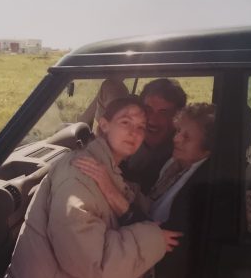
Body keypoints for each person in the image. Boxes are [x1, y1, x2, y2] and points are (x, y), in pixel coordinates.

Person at [5, 96, 182, 278]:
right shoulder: (79, 174)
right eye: (125, 122)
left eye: (140, 127)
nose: (133, 132)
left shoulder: (110, 170)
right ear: (104, 125)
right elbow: (92, 265)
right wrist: (153, 240)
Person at [74, 102, 216, 278]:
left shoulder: (204, 185)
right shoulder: (174, 164)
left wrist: (111, 191)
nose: (176, 139)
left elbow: (166, 239)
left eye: (187, 137)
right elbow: (146, 198)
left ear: (208, 148)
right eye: (178, 131)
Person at [122, 78, 187, 194]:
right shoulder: (125, 138)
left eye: (163, 113)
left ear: (177, 118)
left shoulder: (176, 159)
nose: (152, 120)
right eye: (148, 110)